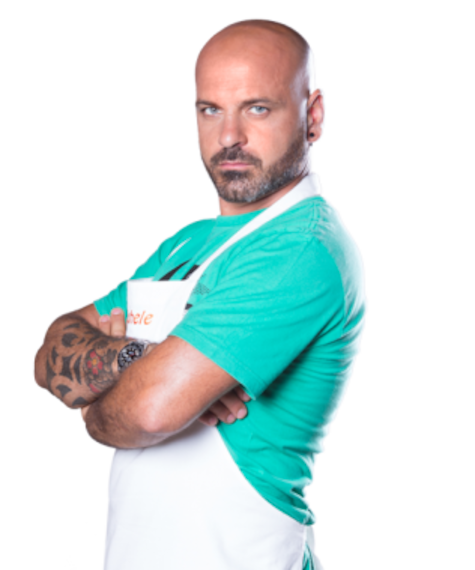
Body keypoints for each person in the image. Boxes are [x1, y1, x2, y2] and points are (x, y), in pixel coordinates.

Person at [32, 16, 368, 570]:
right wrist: (141, 359)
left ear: (313, 115)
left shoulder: (302, 248)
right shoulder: (187, 242)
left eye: (257, 108)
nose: (229, 136)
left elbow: (148, 413)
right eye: (210, 109)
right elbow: (51, 350)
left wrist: (93, 411)